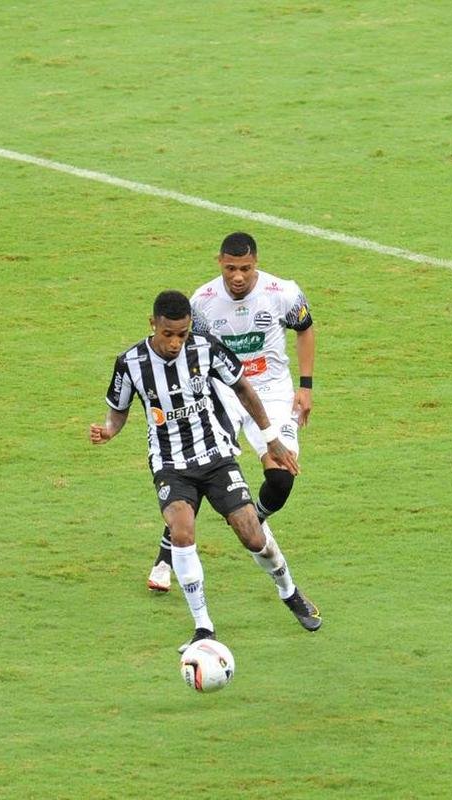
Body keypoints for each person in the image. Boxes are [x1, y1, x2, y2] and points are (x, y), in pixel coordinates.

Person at [90, 291, 315, 650]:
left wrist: (271, 439)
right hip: (170, 464)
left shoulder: (205, 349)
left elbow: (243, 388)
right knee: (182, 532)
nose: (175, 343)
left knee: (252, 536)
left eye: (182, 334)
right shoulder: (130, 362)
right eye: (168, 334)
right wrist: (108, 431)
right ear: (153, 325)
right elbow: (118, 411)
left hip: (216, 456)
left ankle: (289, 591)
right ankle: (203, 626)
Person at [144, 232, 322, 632]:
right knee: (204, 469)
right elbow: (188, 351)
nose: (238, 277)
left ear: (256, 263)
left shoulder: (283, 293)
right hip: (222, 394)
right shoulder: (202, 303)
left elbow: (305, 327)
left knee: (280, 478)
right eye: (230, 269)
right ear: (218, 263)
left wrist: (306, 386)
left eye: (245, 268)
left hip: (272, 393)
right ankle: (168, 551)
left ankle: (250, 518)